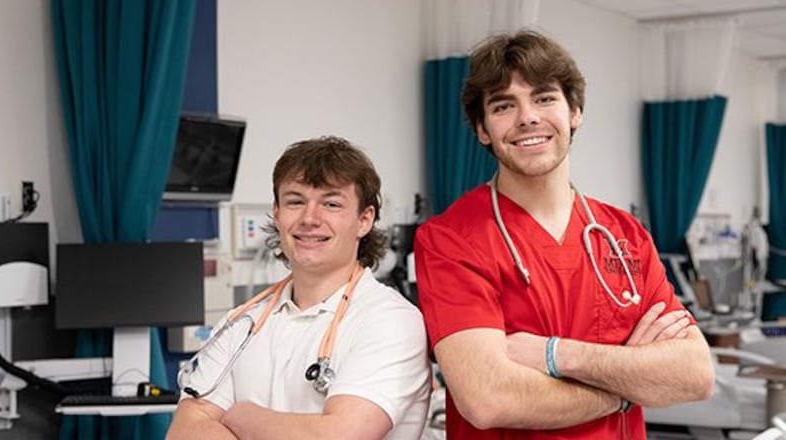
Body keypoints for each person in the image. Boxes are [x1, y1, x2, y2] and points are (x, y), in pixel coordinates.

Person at [413, 29, 715, 439]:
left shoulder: (625, 235)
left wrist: (555, 355)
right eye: (504, 105)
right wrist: (625, 388)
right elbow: (489, 399)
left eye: (544, 97)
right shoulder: (451, 240)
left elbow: (695, 374)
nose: (528, 117)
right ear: (482, 130)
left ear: (575, 112)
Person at [167, 136, 431, 440]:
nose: (309, 219)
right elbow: (185, 431)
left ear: (364, 220)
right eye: (295, 201)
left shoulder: (391, 321)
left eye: (331, 204)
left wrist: (244, 417)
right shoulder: (240, 323)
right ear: (277, 214)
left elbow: (339, 437)